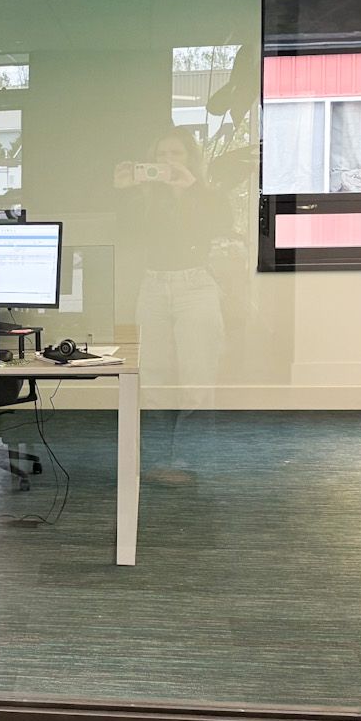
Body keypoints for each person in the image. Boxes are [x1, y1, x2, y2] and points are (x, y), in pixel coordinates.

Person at [114, 129, 226, 486]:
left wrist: (188, 190)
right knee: (153, 377)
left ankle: (189, 461)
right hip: (153, 286)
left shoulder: (204, 194)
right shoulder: (147, 197)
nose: (168, 161)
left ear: (190, 158)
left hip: (196, 285)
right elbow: (127, 234)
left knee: (197, 377)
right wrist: (125, 191)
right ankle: (159, 460)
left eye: (176, 154)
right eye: (161, 155)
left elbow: (216, 228)